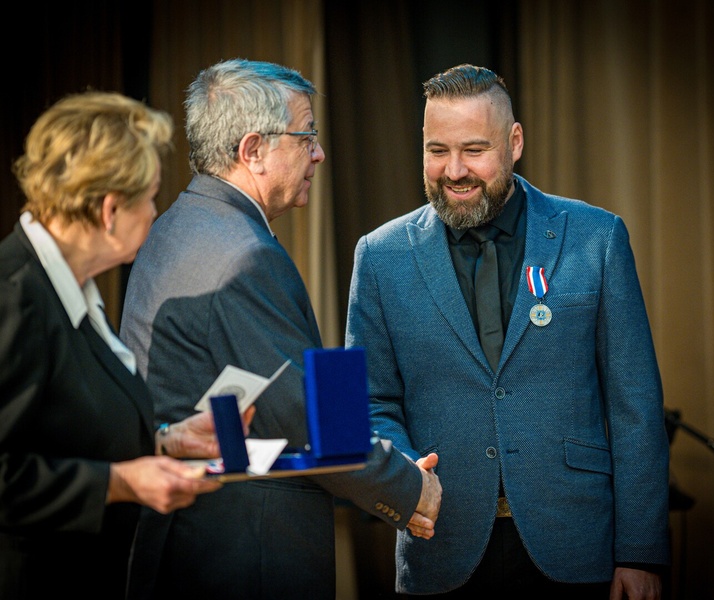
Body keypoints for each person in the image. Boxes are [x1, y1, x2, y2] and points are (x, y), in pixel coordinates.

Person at [119, 58, 442, 599]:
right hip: (241, 555)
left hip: (189, 540)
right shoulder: (244, 256)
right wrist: (410, 488)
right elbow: (304, 415)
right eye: (306, 136)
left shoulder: (176, 225)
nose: (318, 153)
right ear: (252, 150)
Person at [345, 64, 671, 599]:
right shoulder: (380, 256)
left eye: (475, 150)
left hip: (578, 549)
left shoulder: (596, 237)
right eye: (436, 151)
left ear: (514, 142)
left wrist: (640, 552)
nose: (454, 171)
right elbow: (370, 401)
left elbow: (634, 405)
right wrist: (404, 477)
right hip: (441, 549)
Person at [0, 91, 249, 600]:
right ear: (110, 209)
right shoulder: (13, 296)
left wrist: (168, 440)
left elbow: (66, 431)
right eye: (151, 197)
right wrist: (122, 483)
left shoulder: (73, 286)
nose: (156, 213)